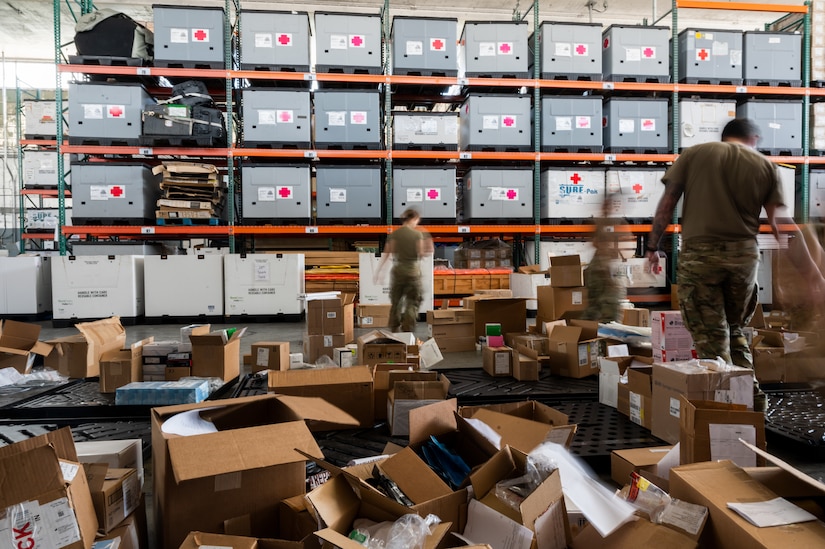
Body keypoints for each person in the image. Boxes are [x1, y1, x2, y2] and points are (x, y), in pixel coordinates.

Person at [647, 118, 825, 411]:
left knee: (711, 340)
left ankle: (737, 409)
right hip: (743, 260)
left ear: (725, 136)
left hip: (700, 258)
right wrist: (813, 276)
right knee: (733, 330)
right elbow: (783, 226)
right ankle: (750, 406)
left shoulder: (695, 154)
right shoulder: (764, 165)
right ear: (753, 138)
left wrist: (653, 247)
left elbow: (667, 203)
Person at [375, 208, 434, 333]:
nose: (416, 224)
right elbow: (422, 254)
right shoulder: (418, 234)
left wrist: (379, 272)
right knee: (412, 301)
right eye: (417, 221)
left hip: (398, 271)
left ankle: (394, 327)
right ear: (413, 219)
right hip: (413, 271)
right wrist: (428, 244)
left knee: (396, 301)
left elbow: (386, 254)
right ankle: (408, 328)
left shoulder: (394, 234)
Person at [583, 193, 626, 323]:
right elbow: (595, 242)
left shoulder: (617, 223)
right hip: (601, 270)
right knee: (604, 311)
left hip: (605, 269)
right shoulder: (600, 222)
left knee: (597, 310)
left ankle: (581, 334)